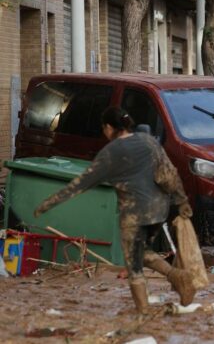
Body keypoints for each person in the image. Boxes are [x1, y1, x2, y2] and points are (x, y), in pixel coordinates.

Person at [34, 107, 196, 314]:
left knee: (133, 265)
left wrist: (48, 203)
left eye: (104, 128)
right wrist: (182, 201)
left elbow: (80, 183)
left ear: (110, 128)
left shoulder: (110, 153)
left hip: (135, 214)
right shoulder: (148, 141)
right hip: (159, 210)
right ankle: (177, 277)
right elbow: (169, 174)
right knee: (143, 253)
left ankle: (144, 310)